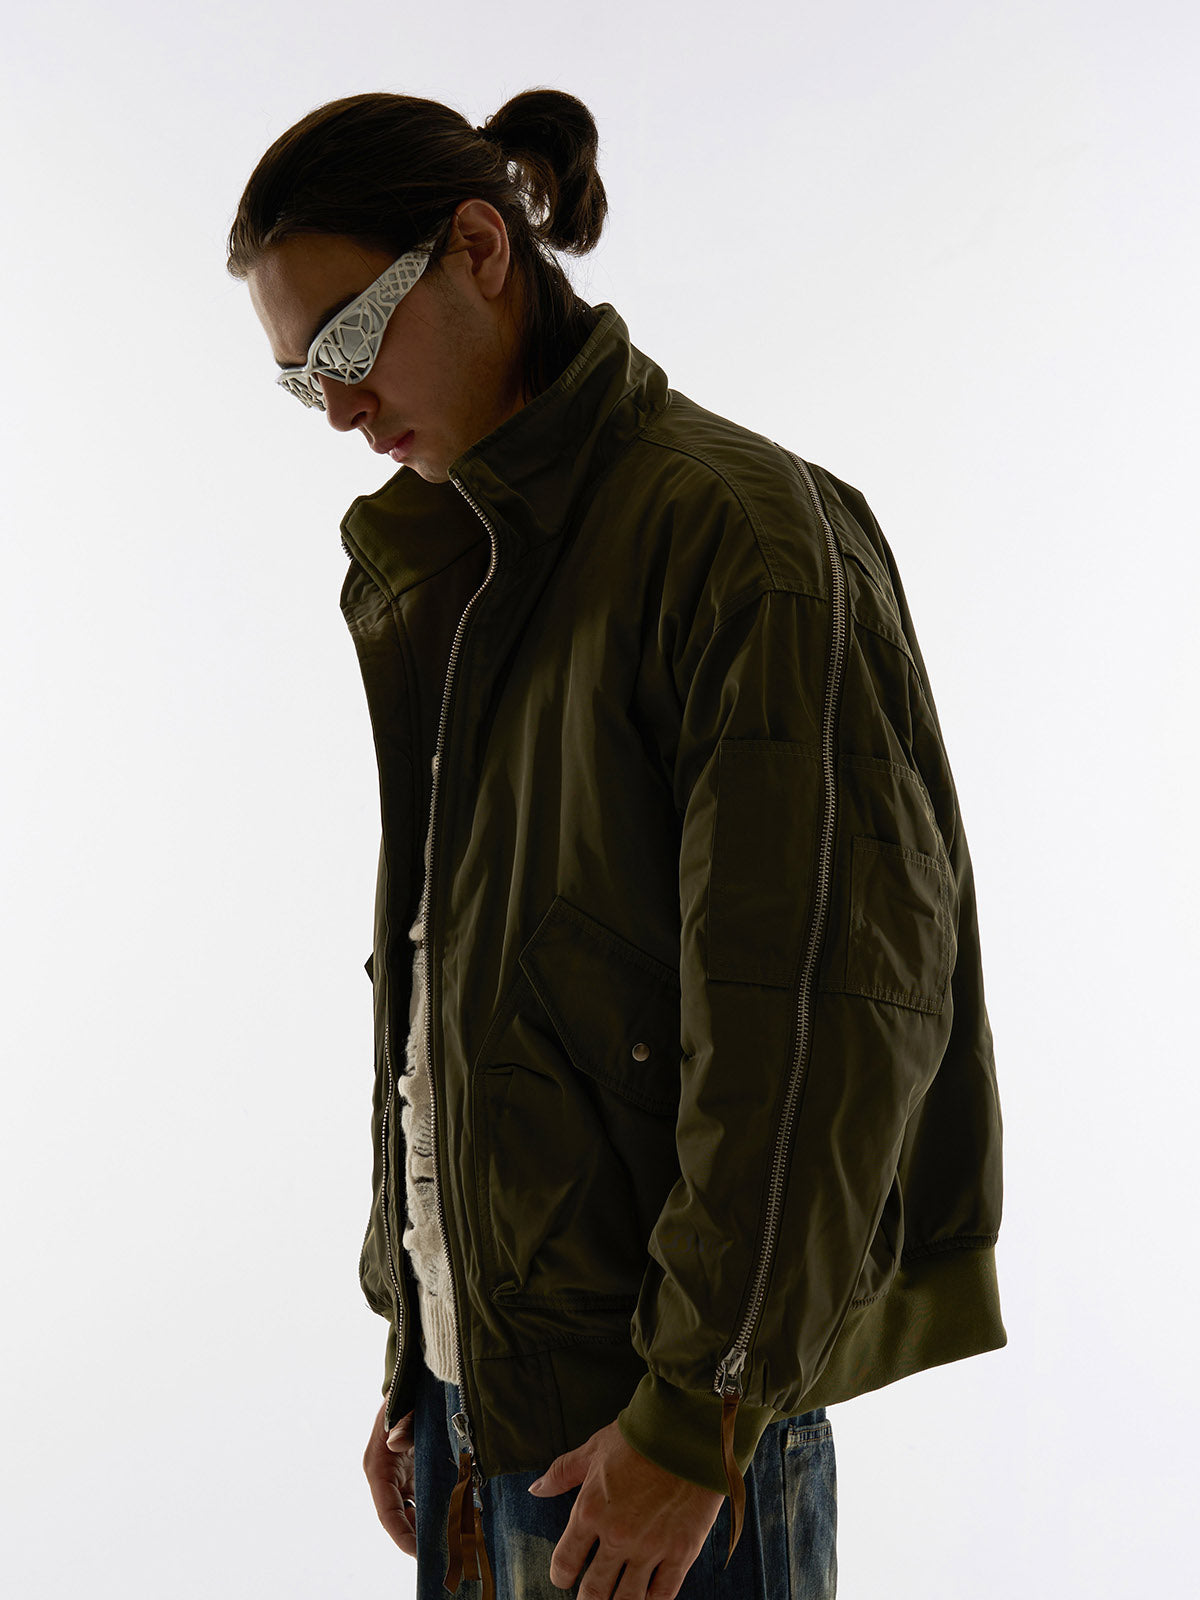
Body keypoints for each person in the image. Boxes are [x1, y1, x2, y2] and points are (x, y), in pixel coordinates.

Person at [227, 87, 1006, 1600]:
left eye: (347, 341)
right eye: (298, 375)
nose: (338, 408)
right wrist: (424, 1348)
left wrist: (700, 1412)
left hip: (657, 1445)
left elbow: (820, 1019)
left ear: (478, 250)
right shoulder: (470, 560)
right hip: (487, 1413)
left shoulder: (741, 538)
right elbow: (469, 988)